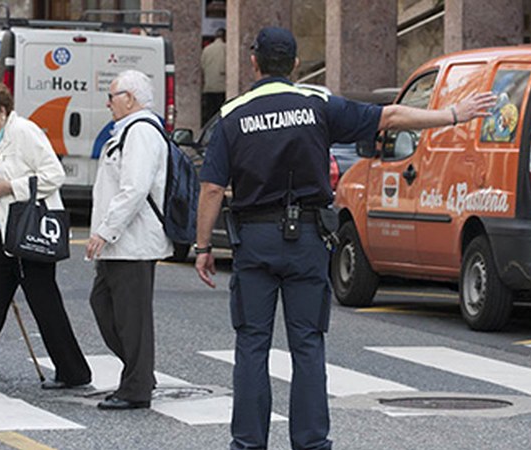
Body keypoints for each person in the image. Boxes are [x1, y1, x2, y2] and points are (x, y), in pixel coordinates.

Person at [194, 26, 495, 450]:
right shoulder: (317, 104)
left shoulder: (234, 114)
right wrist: (452, 115)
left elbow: (210, 189)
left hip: (255, 241)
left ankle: (248, 443)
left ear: (254, 63)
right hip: (307, 242)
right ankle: (312, 443)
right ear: (296, 65)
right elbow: (389, 116)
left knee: (251, 346)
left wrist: (204, 247)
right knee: (308, 345)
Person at [0, 80, 91, 393]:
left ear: (2, 111)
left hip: (26, 234)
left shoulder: (24, 132)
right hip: (2, 234)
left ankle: (74, 371)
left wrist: (14, 187)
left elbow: (54, 175)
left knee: (45, 305)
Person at [86, 69, 174, 410]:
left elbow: (134, 188)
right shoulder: (128, 130)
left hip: (132, 242)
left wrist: (105, 231)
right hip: (120, 243)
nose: (108, 103)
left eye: (112, 96)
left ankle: (137, 387)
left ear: (130, 98)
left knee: (131, 317)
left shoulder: (141, 132)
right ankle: (140, 372)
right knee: (103, 304)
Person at [201, 27, 226, 125]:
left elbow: (202, 66)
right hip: (222, 87)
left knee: (210, 114)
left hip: (209, 87)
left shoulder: (206, 49)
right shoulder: (226, 48)